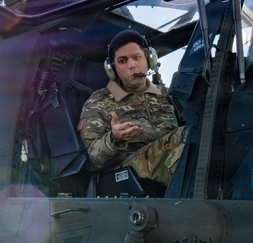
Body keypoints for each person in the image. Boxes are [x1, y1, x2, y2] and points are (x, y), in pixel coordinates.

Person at [78, 29, 185, 188]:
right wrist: (114, 139)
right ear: (112, 69)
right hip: (126, 175)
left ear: (149, 59)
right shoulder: (98, 102)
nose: (132, 65)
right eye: (122, 61)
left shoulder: (167, 95)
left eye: (137, 57)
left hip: (168, 165)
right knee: (183, 136)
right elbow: (91, 161)